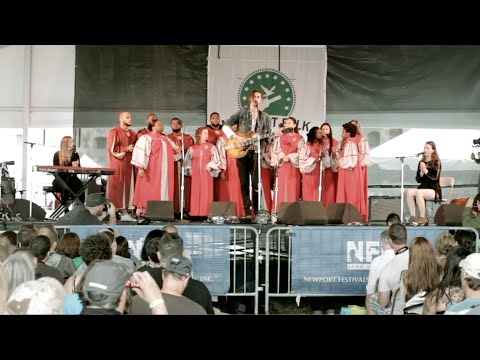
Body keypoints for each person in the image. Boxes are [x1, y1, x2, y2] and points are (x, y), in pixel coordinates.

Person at [222, 89, 272, 219]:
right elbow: (225, 125)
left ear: (261, 100)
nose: (257, 99)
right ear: (250, 98)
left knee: (256, 184)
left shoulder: (265, 117)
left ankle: (256, 211)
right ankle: (247, 211)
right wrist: (236, 137)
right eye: (255, 96)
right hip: (242, 151)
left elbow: (269, 138)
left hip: (256, 152)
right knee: (244, 183)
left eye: (259, 97)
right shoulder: (242, 112)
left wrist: (265, 137)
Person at [131, 118, 180, 217]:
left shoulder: (166, 139)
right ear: (153, 126)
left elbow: (176, 152)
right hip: (152, 170)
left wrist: (178, 150)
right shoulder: (146, 138)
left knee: (165, 190)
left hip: (166, 172)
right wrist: (140, 168)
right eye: (159, 124)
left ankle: (163, 212)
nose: (162, 126)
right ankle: (145, 212)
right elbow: (140, 153)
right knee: (149, 190)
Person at [184, 127, 221, 217]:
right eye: (205, 133)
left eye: (207, 133)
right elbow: (187, 160)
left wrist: (210, 165)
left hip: (206, 174)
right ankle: (195, 213)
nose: (207, 135)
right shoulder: (193, 148)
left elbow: (216, 159)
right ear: (199, 134)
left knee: (206, 192)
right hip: (196, 174)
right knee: (195, 193)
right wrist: (189, 168)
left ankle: (206, 213)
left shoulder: (211, 147)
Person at [107, 111, 137, 221]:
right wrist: (126, 149)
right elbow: (112, 150)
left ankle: (125, 213)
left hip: (129, 165)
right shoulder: (114, 132)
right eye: (127, 117)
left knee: (128, 189)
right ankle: (112, 213)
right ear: (121, 119)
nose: (130, 119)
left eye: (131, 117)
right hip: (118, 165)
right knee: (117, 189)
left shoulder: (133, 133)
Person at [270, 117, 304, 211]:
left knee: (292, 189)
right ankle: (278, 212)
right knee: (280, 189)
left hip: (293, 167)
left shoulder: (299, 138)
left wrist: (290, 157)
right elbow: (275, 149)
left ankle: (292, 213)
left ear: (294, 125)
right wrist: (282, 156)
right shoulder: (280, 137)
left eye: (289, 123)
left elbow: (302, 153)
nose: (287, 125)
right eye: (286, 123)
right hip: (282, 166)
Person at [406, 141, 441, 226]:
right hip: (423, 188)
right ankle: (413, 217)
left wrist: (425, 170)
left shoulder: (437, 162)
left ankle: (422, 218)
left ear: (433, 150)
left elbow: (435, 178)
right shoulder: (421, 162)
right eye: (424, 148)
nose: (425, 150)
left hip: (434, 189)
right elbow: (418, 180)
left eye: (427, 148)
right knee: (409, 192)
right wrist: (421, 173)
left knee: (419, 192)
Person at [167, 118, 195, 217]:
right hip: (174, 166)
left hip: (185, 165)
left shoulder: (187, 138)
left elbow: (193, 151)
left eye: (176, 123)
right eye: (172, 123)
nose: (174, 125)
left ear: (181, 125)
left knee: (186, 187)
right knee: (175, 187)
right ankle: (174, 210)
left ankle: (186, 209)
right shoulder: (168, 138)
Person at [336, 122, 362, 216]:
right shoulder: (347, 143)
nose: (342, 133)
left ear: (348, 133)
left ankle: (351, 215)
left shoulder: (350, 143)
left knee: (350, 194)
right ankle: (347, 215)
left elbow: (351, 161)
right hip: (346, 172)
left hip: (349, 173)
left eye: (343, 131)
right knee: (346, 194)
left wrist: (340, 162)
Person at [52, 136, 84, 206]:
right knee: (75, 187)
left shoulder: (74, 154)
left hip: (64, 181)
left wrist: (75, 167)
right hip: (66, 181)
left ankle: (65, 208)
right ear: (66, 143)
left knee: (70, 186)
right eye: (71, 142)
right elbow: (57, 170)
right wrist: (72, 166)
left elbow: (78, 169)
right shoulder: (58, 155)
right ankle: (79, 208)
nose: (73, 143)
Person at [350, 120, 370, 222]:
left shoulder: (361, 139)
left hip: (358, 170)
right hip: (349, 171)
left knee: (357, 192)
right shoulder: (347, 139)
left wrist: (357, 167)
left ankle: (358, 215)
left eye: (355, 125)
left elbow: (364, 157)